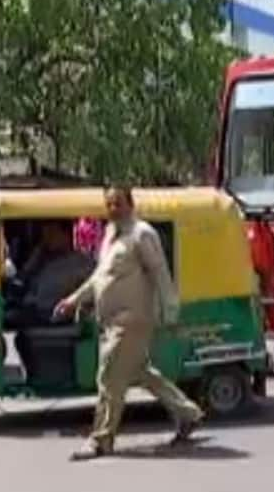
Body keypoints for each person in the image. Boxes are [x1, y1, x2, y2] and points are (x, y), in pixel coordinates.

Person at [55, 186, 204, 461]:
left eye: (118, 203)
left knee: (109, 376)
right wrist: (73, 300)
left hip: (131, 320)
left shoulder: (142, 234)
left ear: (130, 204)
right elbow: (99, 278)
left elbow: (160, 273)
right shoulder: (110, 236)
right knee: (139, 372)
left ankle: (101, 439)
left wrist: (170, 312)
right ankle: (188, 413)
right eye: (109, 204)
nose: (113, 209)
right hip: (109, 321)